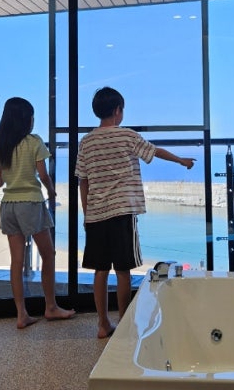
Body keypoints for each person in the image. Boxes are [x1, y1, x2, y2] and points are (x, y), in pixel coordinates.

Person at [75, 86, 196, 338]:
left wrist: (87, 213)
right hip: (123, 212)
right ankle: (124, 323)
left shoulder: (86, 141)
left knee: (100, 271)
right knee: (122, 271)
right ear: (117, 111)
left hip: (96, 215)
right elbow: (155, 151)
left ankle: (102, 324)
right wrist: (181, 160)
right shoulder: (127, 136)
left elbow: (82, 181)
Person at [0, 97, 75, 329]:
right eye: (31, 116)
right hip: (30, 204)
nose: (33, 120)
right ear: (26, 120)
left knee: (16, 261)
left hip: (8, 206)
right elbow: (43, 175)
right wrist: (51, 192)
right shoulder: (34, 142)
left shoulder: (2, 146)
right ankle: (51, 307)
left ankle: (21, 314)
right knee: (48, 255)